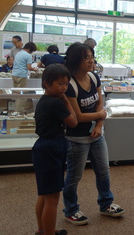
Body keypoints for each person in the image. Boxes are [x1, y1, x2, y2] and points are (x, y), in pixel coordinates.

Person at [62, 43, 124, 225]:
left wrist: (99, 123)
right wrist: (101, 115)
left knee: (103, 171)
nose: (91, 60)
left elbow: (100, 104)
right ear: (76, 60)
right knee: (74, 176)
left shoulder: (94, 77)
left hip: (97, 134)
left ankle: (106, 204)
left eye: (92, 56)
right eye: (86, 57)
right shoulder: (70, 84)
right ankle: (70, 209)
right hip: (77, 138)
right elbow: (77, 116)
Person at [33, 64, 78, 235]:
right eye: (60, 83)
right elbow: (73, 122)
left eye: (66, 84)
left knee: (44, 194)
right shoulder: (55, 103)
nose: (64, 87)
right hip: (51, 148)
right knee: (52, 198)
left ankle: (43, 230)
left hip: (44, 147)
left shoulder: (44, 101)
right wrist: (67, 101)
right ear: (46, 83)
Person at [12, 42, 38, 112]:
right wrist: (35, 69)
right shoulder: (28, 55)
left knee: (16, 94)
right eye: (32, 51)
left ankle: (15, 110)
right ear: (29, 49)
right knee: (22, 95)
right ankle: (19, 111)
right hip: (22, 75)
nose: (31, 53)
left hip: (14, 74)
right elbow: (29, 67)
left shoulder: (18, 53)